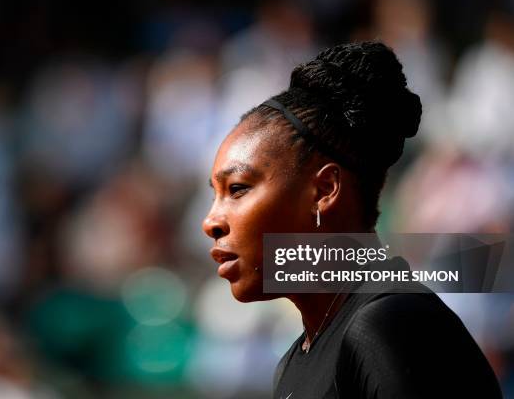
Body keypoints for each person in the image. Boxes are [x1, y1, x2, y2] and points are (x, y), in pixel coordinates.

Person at [202, 41, 502, 398]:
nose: (211, 222)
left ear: (325, 189)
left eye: (237, 189)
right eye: (215, 193)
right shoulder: (296, 360)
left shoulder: (390, 325)